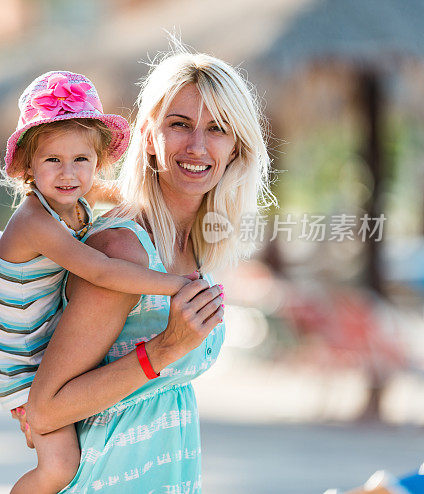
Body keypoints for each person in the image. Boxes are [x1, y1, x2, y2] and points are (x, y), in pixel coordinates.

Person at [24, 49, 274, 493]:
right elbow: (45, 410)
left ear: (237, 145)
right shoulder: (123, 250)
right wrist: (161, 351)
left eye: (218, 128)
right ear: (148, 133)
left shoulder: (196, 249)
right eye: (180, 124)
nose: (197, 146)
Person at [0, 70, 198, 494]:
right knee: (60, 466)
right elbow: (100, 270)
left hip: (45, 344)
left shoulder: (78, 198)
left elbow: (130, 196)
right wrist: (175, 285)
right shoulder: (34, 221)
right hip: (22, 361)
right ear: (28, 165)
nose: (68, 173)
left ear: (98, 161)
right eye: (52, 161)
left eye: (81, 160)